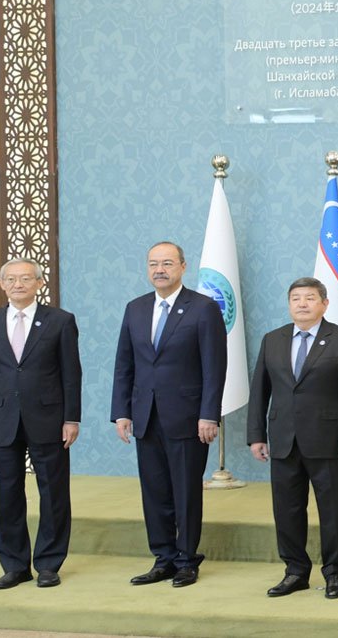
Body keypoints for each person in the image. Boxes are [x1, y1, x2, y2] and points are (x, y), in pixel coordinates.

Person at [247, 277, 338, 599]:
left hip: (330, 442)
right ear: (289, 304)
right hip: (283, 441)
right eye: (296, 298)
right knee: (286, 511)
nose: (302, 304)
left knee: (332, 512)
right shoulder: (272, 340)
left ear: (324, 304)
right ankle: (295, 572)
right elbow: (259, 391)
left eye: (310, 298)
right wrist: (256, 435)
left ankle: (334, 574)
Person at [112, 241, 225, 588]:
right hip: (145, 415)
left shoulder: (203, 308)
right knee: (155, 491)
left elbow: (214, 367)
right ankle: (163, 558)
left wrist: (209, 414)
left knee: (186, 490)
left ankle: (187, 559)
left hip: (189, 417)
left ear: (182, 266)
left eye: (166, 263)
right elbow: (124, 364)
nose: (159, 270)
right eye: (153, 264)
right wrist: (122, 412)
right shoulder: (136, 308)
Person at [0, 258, 81, 590]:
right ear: (1, 284)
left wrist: (71, 418)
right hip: (2, 419)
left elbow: (71, 375)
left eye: (25, 278)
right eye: (11, 279)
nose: (18, 284)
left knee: (53, 492)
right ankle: (14, 565)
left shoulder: (60, 321)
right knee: (7, 494)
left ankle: (49, 563)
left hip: (49, 419)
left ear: (39, 283)